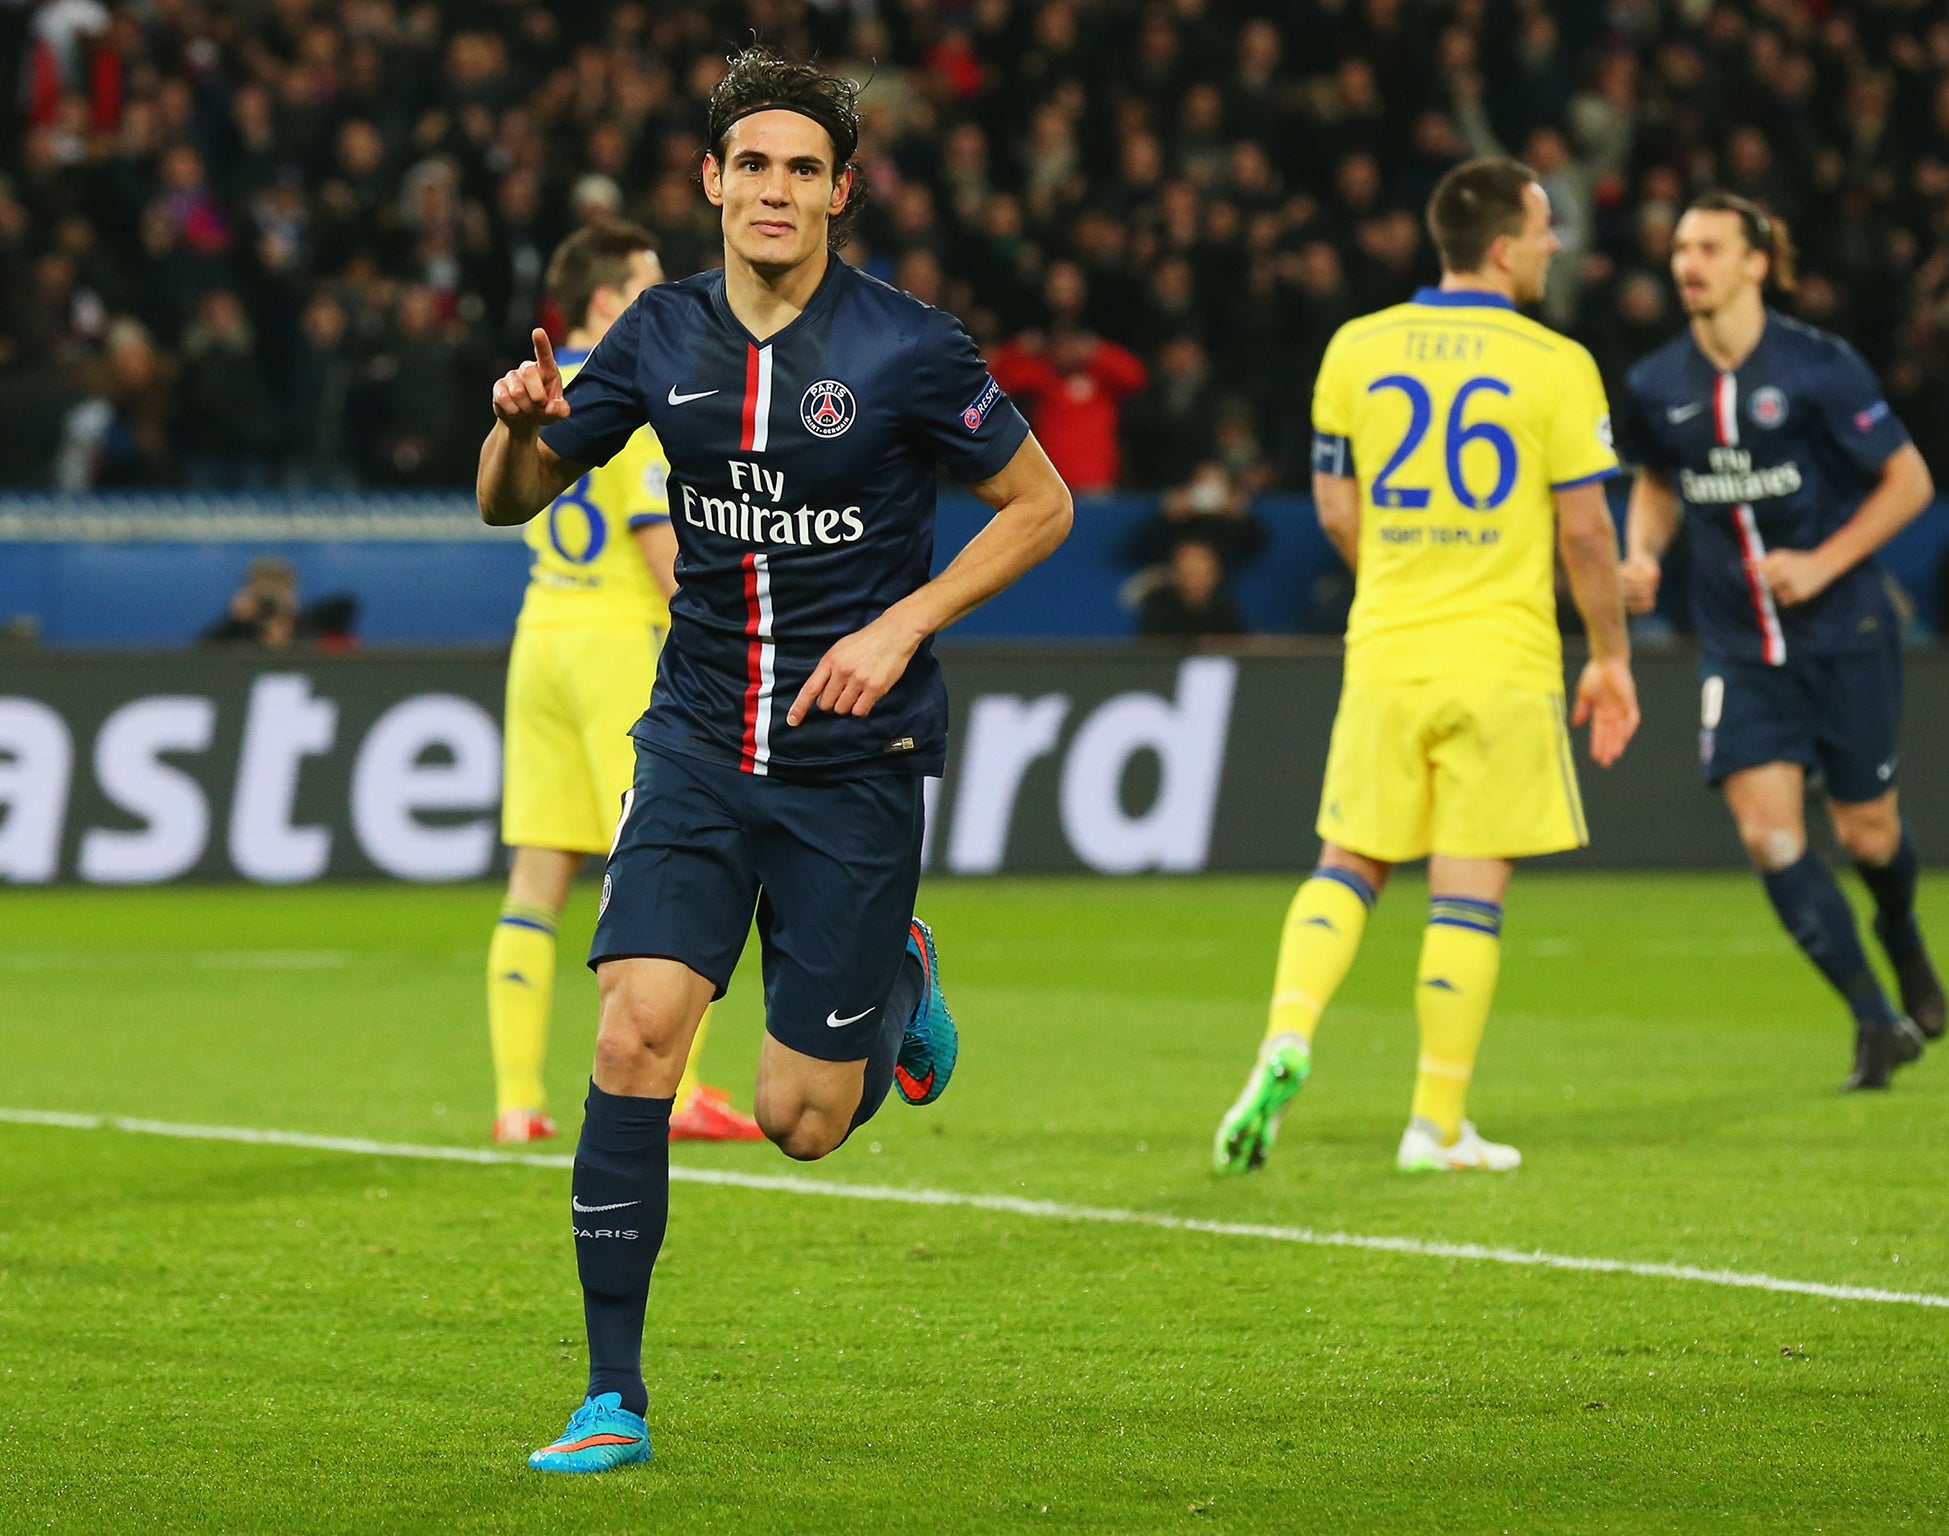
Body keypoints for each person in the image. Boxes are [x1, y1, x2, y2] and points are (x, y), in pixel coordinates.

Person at [475, 48, 1072, 1474]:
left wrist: (905, 622)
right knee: (631, 1033)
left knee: (805, 1120)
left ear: (842, 193)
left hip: (851, 758)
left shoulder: (911, 347)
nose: (778, 190)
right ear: (712, 182)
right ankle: (611, 1393)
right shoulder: (656, 337)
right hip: (690, 737)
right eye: (756, 165)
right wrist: (507, 435)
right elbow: (513, 502)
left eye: (806, 170)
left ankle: (898, 978)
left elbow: (1039, 504)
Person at [1213, 157, 1640, 1176]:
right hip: (1498, 656)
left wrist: (1402, 577)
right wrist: (1611, 657)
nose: (1552, 246)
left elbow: (1329, 506)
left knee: (1346, 861)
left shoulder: (1355, 347)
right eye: (1542, 230)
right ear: (1500, 246)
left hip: (1388, 647)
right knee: (1465, 892)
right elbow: (1585, 535)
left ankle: (1286, 1033)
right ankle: (1433, 1126)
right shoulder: (1554, 364)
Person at [1616, 191, 1946, 1091]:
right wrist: (1641, 552)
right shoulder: (1655, 384)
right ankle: (1875, 1022)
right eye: (1681, 246)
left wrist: (1824, 561)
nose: (1689, 262)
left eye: (1710, 247)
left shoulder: (1818, 367)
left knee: (1867, 834)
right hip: (1737, 647)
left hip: (1844, 632)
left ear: (1755, 263)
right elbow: (1655, 478)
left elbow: (1909, 481)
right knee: (1769, 838)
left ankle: (1903, 937)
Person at [485, 218, 760, 1150]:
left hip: (542, 633)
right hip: (616, 649)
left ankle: (517, 1100)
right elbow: (663, 557)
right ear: (608, 302)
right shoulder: (631, 385)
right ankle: (677, 1096)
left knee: (536, 879)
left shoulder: (539, 390)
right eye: (646, 285)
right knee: (682, 863)